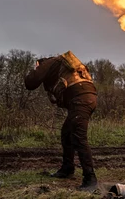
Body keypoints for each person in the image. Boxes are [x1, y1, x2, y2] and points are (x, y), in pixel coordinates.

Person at [24, 51, 99, 191]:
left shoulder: (48, 62)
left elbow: (31, 83)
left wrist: (32, 70)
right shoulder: (63, 64)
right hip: (87, 97)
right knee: (66, 133)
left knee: (79, 138)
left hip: (80, 99)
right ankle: (67, 169)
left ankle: (90, 179)